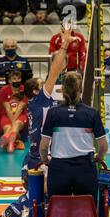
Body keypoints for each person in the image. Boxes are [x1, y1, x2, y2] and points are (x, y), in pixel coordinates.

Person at [39, 71, 108, 217]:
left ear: (62, 89)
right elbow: (103, 145)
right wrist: (98, 158)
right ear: (80, 90)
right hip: (85, 170)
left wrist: (46, 160)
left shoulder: (54, 113)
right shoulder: (91, 113)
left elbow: (43, 146)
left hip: (59, 170)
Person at [22, 26, 71, 179]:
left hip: (32, 155)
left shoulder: (32, 104)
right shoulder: (40, 100)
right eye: (41, 85)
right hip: (42, 159)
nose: (46, 86)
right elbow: (54, 72)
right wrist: (65, 44)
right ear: (36, 92)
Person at [0, 70, 28, 153]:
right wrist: (12, 122)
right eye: (14, 79)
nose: (17, 80)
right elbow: (7, 109)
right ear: (9, 80)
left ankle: (7, 138)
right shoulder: (4, 90)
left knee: (16, 123)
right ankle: (11, 141)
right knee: (8, 127)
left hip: (21, 116)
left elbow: (20, 108)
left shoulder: (23, 89)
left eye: (18, 78)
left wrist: (13, 122)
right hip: (6, 116)